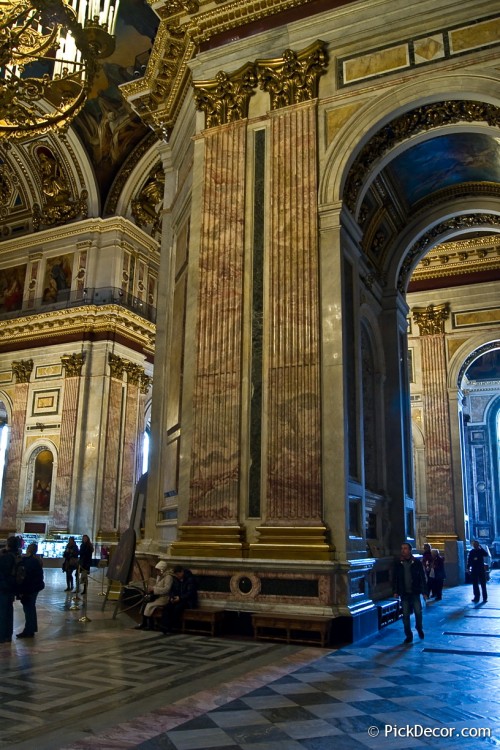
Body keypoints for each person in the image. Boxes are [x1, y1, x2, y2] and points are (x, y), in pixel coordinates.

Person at [393, 542, 428, 644]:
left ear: (410, 550)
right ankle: (408, 635)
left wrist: (424, 591)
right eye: (402, 548)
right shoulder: (398, 563)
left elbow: (422, 577)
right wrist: (395, 591)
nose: (403, 550)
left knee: (418, 612)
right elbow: (395, 578)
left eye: (405, 548)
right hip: (404, 593)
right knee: (405, 615)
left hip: (415, 591)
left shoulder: (416, 563)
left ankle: (419, 627)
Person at [16, 542, 45, 639]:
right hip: (35, 587)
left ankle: (28, 630)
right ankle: (31, 629)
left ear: (29, 549)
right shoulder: (36, 560)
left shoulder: (31, 561)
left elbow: (26, 576)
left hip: (30, 588)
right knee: (30, 608)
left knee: (28, 609)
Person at [135, 561, 173, 631]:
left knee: (150, 605)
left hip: (163, 598)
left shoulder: (168, 577)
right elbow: (157, 585)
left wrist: (154, 589)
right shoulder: (159, 576)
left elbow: (167, 589)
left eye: (158, 570)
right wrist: (151, 588)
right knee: (145, 602)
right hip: (157, 596)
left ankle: (150, 625)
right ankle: (144, 623)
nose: (157, 572)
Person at [160, 565, 197, 635]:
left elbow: (190, 593)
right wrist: (172, 597)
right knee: (167, 607)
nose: (177, 576)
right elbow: (172, 590)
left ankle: (170, 626)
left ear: (182, 572)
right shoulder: (176, 579)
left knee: (177, 608)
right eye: (176, 575)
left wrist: (180, 598)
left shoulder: (190, 579)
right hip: (177, 599)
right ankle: (164, 626)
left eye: (178, 574)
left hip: (188, 601)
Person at [0, 536, 21, 644]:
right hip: (12, 587)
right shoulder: (16, 555)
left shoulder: (6, 557)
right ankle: (7, 634)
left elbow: (3, 572)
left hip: (4, 587)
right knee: (8, 611)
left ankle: (2, 635)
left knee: (3, 612)